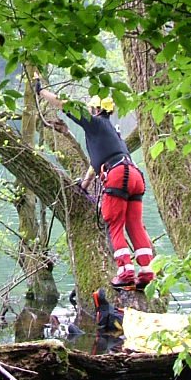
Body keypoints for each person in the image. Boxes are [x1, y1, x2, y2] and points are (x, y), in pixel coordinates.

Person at [34, 80, 155, 290]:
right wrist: (86, 183)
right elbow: (97, 162)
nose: (88, 109)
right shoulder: (111, 132)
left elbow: (64, 104)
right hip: (134, 176)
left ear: (96, 109)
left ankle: (125, 272)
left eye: (91, 107)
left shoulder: (94, 122)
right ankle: (146, 272)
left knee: (114, 223)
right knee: (134, 224)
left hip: (118, 175)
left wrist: (41, 91)